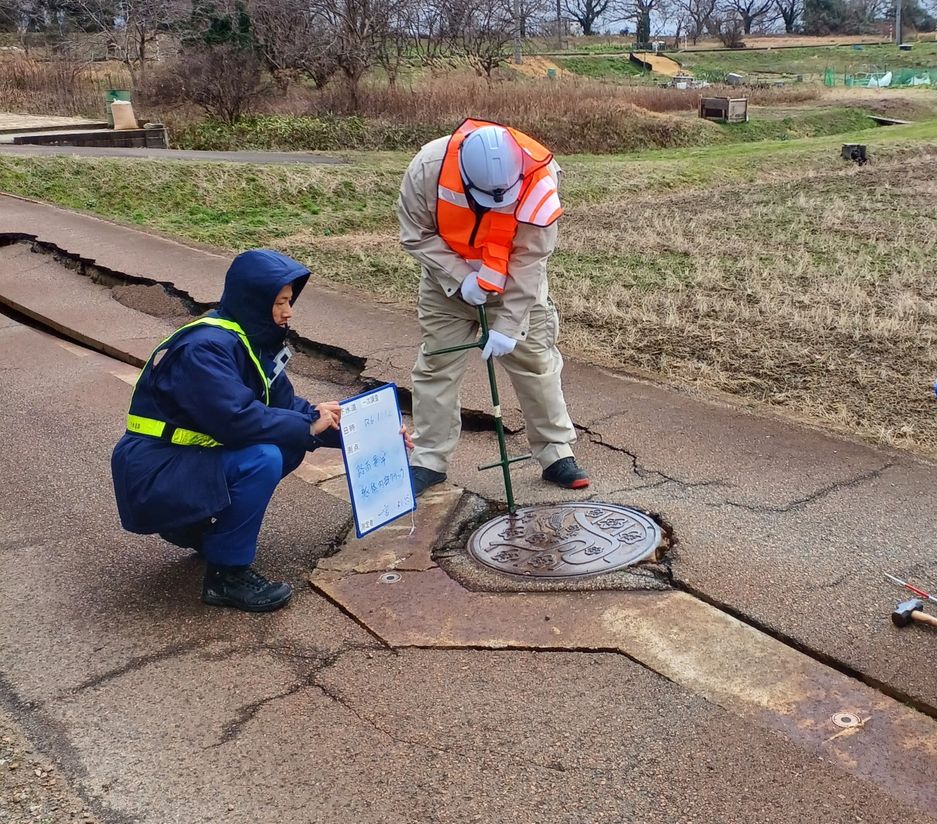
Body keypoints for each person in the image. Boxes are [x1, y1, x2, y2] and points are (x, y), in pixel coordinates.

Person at [112, 249, 343, 613]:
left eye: (289, 301)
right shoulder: (205, 348)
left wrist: (358, 432)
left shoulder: (251, 341)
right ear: (255, 299)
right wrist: (306, 425)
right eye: (281, 301)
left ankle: (195, 528)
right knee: (264, 456)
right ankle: (227, 575)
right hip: (152, 475)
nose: (289, 311)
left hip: (179, 464)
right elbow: (237, 420)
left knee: (287, 443)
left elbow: (288, 409)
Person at [397, 118, 589, 499]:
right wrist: (459, 276)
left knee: (535, 360)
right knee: (436, 365)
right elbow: (414, 233)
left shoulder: (541, 177)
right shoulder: (427, 168)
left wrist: (509, 324)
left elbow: (532, 258)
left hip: (514, 285)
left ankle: (555, 451)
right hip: (445, 286)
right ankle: (428, 459)